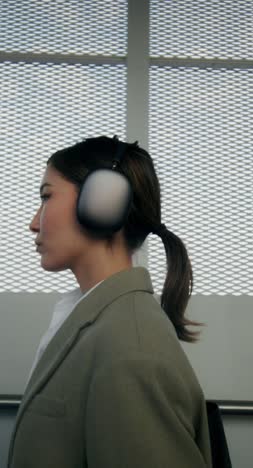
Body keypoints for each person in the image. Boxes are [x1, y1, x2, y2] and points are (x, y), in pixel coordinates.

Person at [8, 136, 212, 468]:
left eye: (46, 197)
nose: (34, 222)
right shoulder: (96, 322)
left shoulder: (131, 348)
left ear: (102, 202)